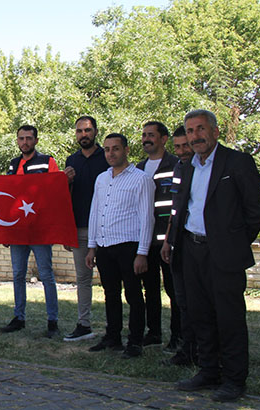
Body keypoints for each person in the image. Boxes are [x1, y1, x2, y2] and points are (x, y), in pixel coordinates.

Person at [170, 110, 260, 402]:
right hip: (192, 250)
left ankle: (234, 379)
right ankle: (208, 370)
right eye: (190, 131)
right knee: (200, 315)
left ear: (214, 131)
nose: (195, 136)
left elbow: (255, 211)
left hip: (224, 253)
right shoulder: (187, 167)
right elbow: (182, 209)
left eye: (200, 129)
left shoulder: (237, 163)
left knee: (229, 318)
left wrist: (232, 242)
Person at [86, 133, 154, 359]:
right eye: (106, 149)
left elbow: (147, 218)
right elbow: (95, 212)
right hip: (104, 246)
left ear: (126, 150)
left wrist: (142, 253)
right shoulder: (101, 179)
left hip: (129, 246)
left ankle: (135, 342)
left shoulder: (141, 179)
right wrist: (91, 246)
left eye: (115, 148)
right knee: (110, 293)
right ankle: (112, 336)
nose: (110, 153)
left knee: (134, 295)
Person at [1, 124, 61, 338]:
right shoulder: (12, 164)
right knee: (17, 274)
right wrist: (6, 231)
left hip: (40, 230)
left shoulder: (48, 161)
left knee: (46, 275)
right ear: (17, 141)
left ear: (36, 140)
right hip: (17, 231)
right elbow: (7, 197)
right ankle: (19, 317)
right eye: (21, 138)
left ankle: (52, 321)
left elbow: (55, 192)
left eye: (28, 138)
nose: (24, 142)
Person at [62, 116, 109, 342]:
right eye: (80, 131)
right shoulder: (72, 160)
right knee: (83, 279)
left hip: (107, 228)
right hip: (80, 227)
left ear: (95, 132)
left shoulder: (107, 157)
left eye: (87, 130)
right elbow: (65, 197)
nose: (84, 135)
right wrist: (66, 181)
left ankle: (114, 326)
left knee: (111, 279)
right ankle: (84, 324)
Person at [135, 121, 181, 351]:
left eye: (151, 135)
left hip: (168, 238)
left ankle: (178, 336)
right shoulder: (138, 167)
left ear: (164, 139)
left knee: (174, 289)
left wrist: (171, 237)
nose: (146, 139)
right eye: (144, 135)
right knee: (149, 288)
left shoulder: (177, 165)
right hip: (145, 239)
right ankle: (153, 333)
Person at [161, 126, 196, 367]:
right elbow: (174, 207)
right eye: (178, 147)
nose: (182, 151)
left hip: (202, 245)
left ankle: (206, 351)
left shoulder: (206, 168)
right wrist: (168, 239)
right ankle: (187, 349)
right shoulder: (179, 167)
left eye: (186, 146)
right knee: (181, 298)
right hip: (178, 243)